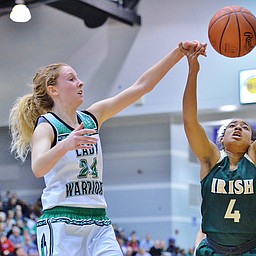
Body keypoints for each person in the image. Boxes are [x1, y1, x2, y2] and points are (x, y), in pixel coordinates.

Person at [9, 40, 206, 256]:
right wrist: (66, 144)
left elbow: (142, 86)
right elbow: (38, 168)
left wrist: (179, 52)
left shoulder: (93, 117)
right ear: (53, 89)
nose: (80, 83)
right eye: (72, 79)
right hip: (62, 222)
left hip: (98, 222)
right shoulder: (47, 126)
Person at [179, 33, 256, 256]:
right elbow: (189, 122)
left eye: (244, 127)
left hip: (255, 250)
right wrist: (193, 71)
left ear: (252, 140)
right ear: (221, 139)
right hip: (213, 250)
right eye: (232, 125)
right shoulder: (210, 159)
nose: (237, 128)